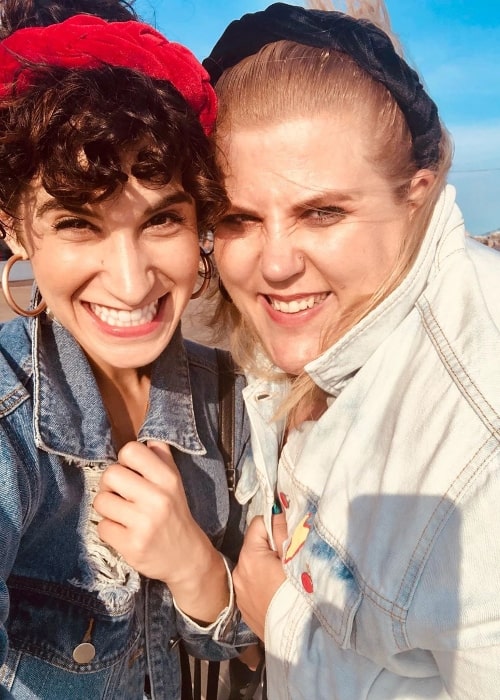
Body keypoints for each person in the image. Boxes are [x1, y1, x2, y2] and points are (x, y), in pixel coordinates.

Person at [203, 1, 500, 697]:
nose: (274, 264)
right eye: (238, 218)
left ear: (414, 196)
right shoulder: (323, 331)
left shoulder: (478, 435)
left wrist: (277, 617)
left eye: (323, 212)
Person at [0, 2, 255, 698]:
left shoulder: (232, 401)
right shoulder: (9, 424)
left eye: (162, 218)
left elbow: (247, 641)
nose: (131, 279)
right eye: (79, 223)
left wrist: (196, 568)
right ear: (17, 229)